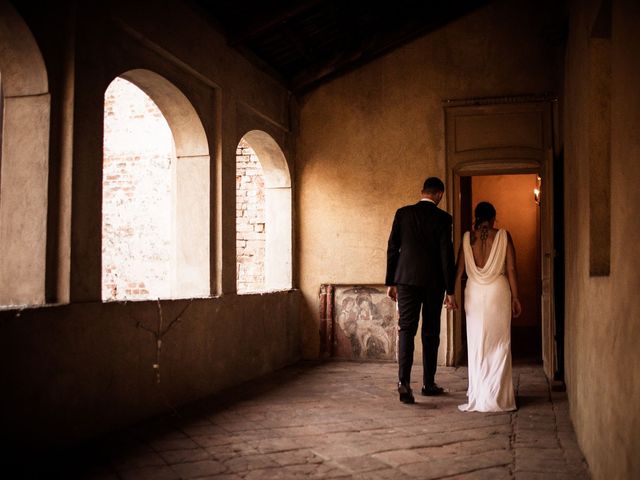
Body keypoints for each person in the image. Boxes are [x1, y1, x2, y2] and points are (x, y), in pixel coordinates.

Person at [385, 177, 456, 404]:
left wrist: (391, 282)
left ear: (422, 191)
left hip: (405, 280)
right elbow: (447, 255)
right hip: (433, 282)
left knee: (406, 328)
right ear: (439, 195)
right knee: (430, 331)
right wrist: (451, 289)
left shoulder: (403, 213)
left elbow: (392, 247)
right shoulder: (444, 219)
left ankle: (403, 382)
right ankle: (428, 383)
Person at [455, 201, 521, 412]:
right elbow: (511, 269)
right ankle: (497, 396)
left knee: (477, 344)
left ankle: (480, 393)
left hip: (474, 293)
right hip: (497, 292)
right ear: (493, 217)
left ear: (476, 216)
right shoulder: (503, 235)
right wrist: (516, 297)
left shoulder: (467, 238)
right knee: (499, 343)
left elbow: (459, 271)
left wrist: (451, 295)